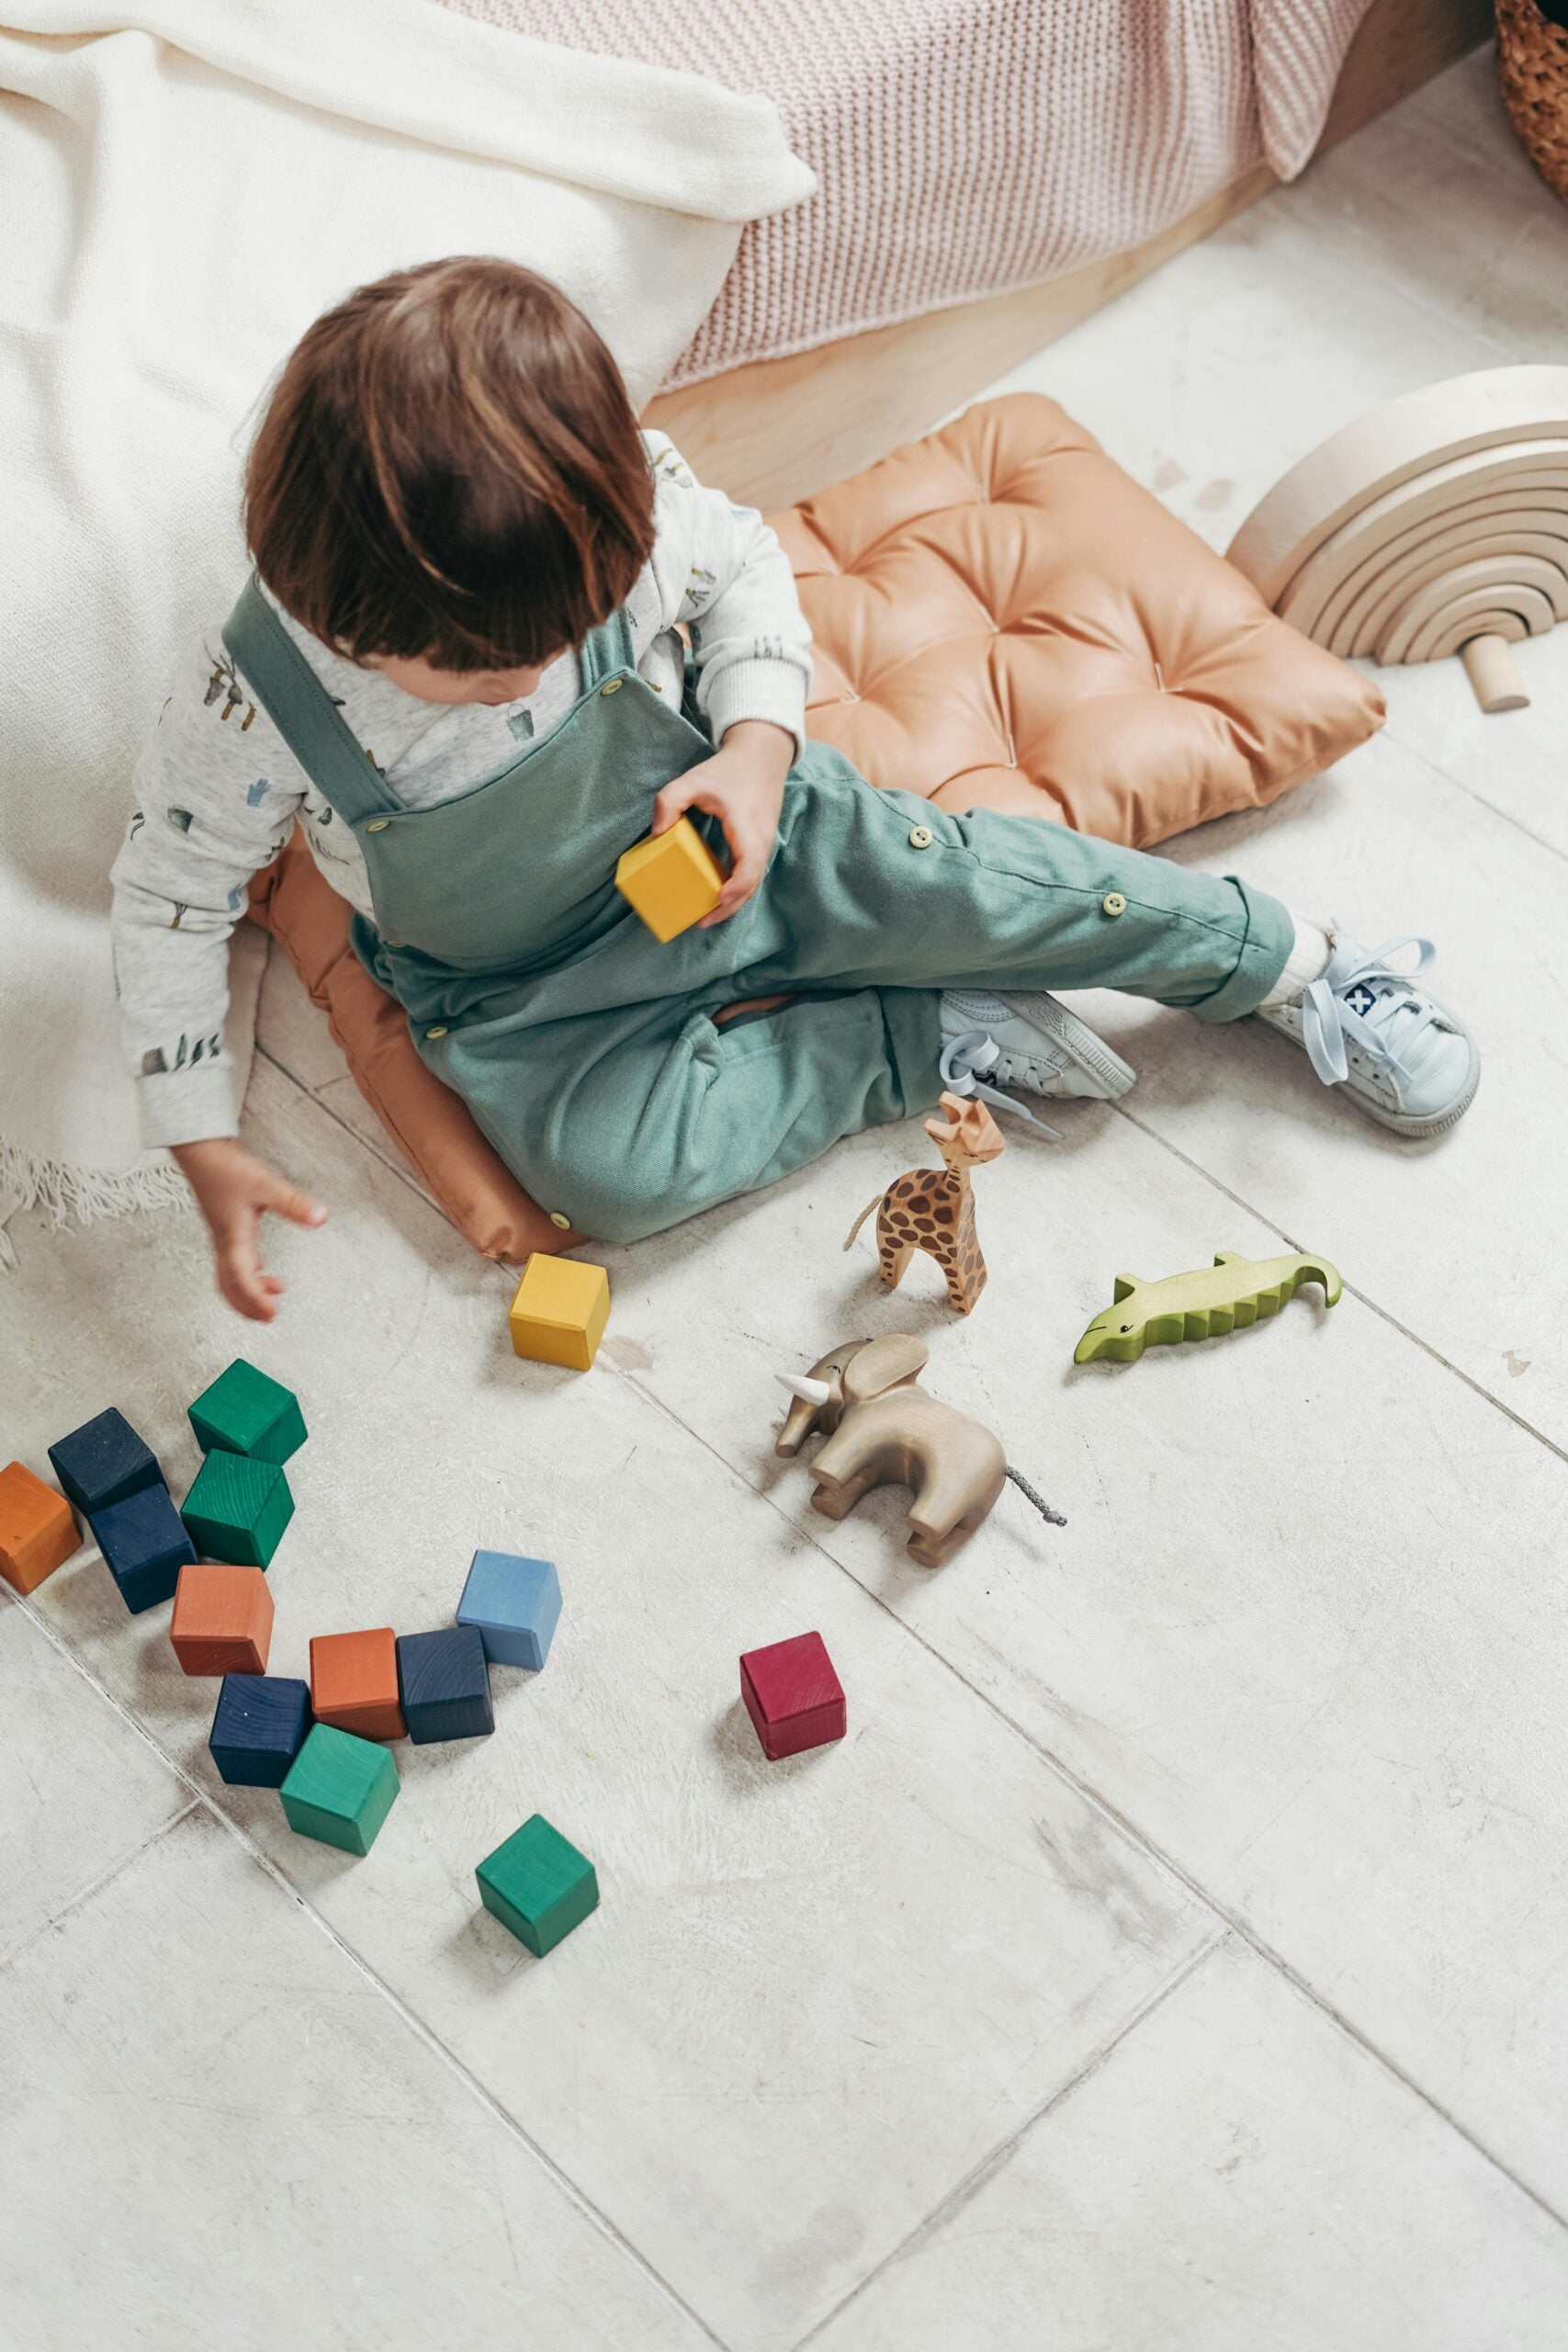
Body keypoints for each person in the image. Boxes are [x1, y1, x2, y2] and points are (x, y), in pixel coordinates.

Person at [111, 257, 1479, 1322]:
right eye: (460, 671)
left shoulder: (623, 519)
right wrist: (199, 1138)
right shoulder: (250, 697)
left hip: (759, 841)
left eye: (544, 648)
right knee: (610, 1181)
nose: (510, 680)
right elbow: (167, 902)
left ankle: (1282, 962)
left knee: (986, 879)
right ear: (323, 603)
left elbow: (745, 573)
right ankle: (913, 1037)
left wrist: (754, 753)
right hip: (525, 992)